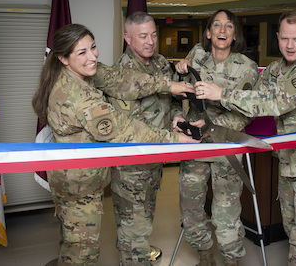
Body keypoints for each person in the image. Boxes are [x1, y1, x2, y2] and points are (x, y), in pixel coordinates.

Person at [32, 23, 198, 266]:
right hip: (79, 186)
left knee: (72, 242)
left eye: (93, 47)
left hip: (82, 179)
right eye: (82, 52)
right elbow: (124, 128)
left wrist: (167, 84)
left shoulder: (78, 72)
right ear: (63, 59)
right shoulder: (77, 97)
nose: (92, 57)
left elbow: (119, 79)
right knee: (82, 253)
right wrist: (175, 139)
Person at [195, 11, 296, 266]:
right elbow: (251, 104)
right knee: (292, 231)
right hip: (288, 166)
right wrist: (210, 123)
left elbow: (275, 103)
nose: (289, 45)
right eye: (284, 38)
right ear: (277, 37)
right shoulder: (275, 69)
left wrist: (222, 93)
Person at [174, 10, 259, 266]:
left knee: (226, 212)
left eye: (229, 26)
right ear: (208, 32)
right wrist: (180, 71)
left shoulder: (247, 67)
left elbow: (247, 112)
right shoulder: (197, 56)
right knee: (190, 207)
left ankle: (231, 259)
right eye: (217, 26)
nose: (222, 31)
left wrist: (213, 114)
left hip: (226, 148)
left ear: (234, 35)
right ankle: (205, 255)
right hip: (195, 146)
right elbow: (179, 93)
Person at [108, 11, 183, 265]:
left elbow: (170, 100)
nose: (150, 41)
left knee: (144, 219)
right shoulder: (122, 75)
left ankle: (134, 253)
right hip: (131, 166)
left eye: (153, 34)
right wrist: (174, 139)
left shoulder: (161, 63)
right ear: (128, 38)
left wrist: (176, 117)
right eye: (143, 36)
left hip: (155, 161)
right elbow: (132, 127)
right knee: (133, 226)